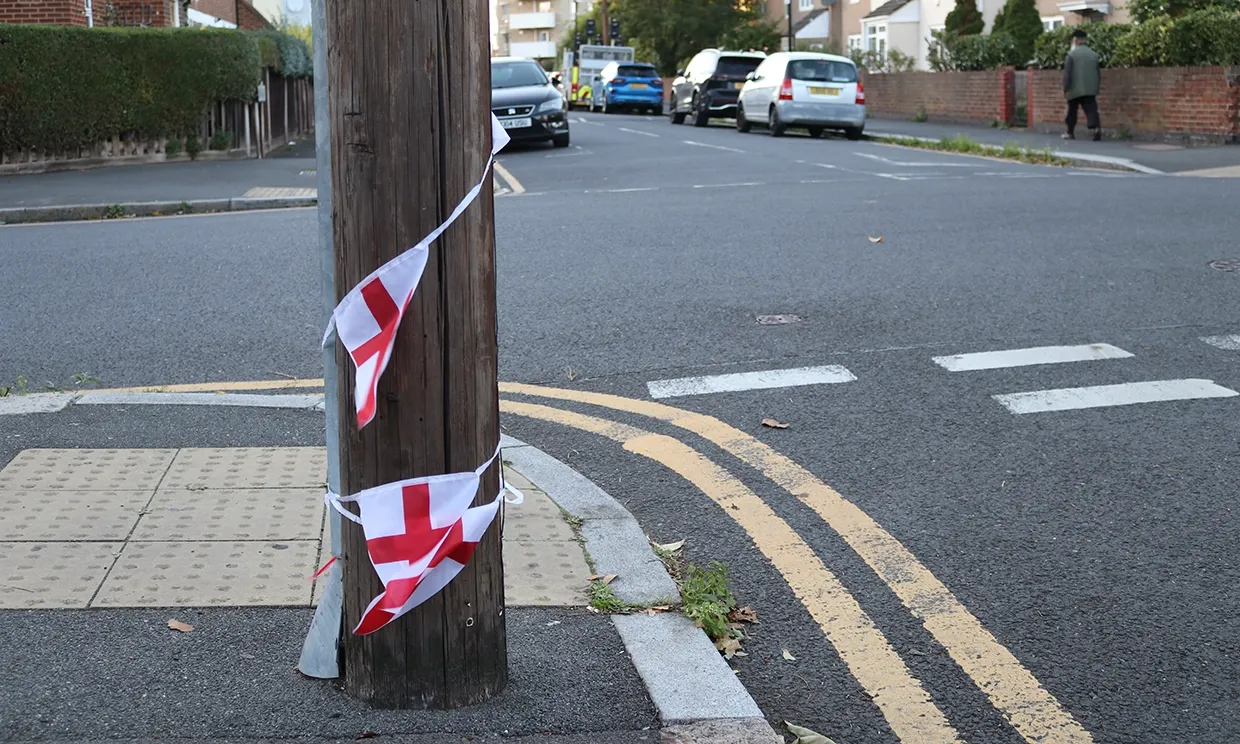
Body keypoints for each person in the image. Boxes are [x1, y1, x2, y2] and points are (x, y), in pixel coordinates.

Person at [1062, 29, 1101, 141]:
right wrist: (1096, 87)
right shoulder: (1093, 54)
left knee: (1072, 110)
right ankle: (1095, 129)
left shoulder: (1071, 54)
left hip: (1075, 88)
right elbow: (1098, 72)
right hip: (1090, 87)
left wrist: (1065, 88)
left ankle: (1070, 132)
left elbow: (1067, 73)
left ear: (1076, 40)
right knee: (1091, 109)